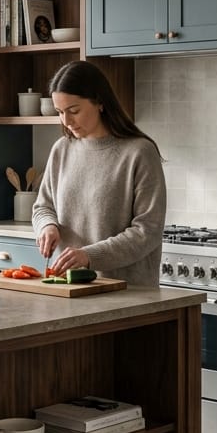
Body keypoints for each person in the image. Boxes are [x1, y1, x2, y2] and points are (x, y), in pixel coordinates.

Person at [32, 60, 166, 286]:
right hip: (70, 288)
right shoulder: (62, 149)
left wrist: (89, 256)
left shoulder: (139, 152)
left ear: (100, 102)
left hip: (127, 294)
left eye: (74, 111)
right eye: (60, 112)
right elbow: (43, 207)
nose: (66, 121)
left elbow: (147, 231)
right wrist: (47, 226)